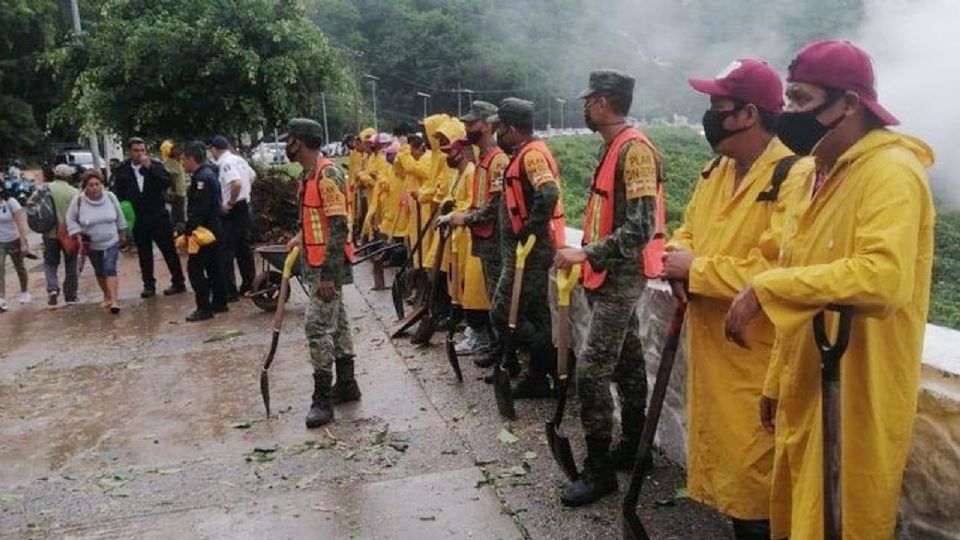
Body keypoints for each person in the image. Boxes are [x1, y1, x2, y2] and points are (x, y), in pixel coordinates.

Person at [724, 40, 936, 540]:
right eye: (788, 100)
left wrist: (765, 287)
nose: (789, 113)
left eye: (800, 100)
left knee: (845, 515)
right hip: (805, 378)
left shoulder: (892, 173)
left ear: (849, 103)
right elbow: (801, 273)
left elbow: (883, 278)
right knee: (799, 514)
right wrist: (776, 380)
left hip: (858, 385)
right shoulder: (808, 175)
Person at [660, 59, 812, 538]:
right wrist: (677, 254)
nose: (709, 116)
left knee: (758, 488)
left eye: (716, 107)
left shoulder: (794, 175)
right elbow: (686, 229)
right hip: (712, 354)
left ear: (748, 113)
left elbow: (780, 271)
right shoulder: (716, 169)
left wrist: (698, 270)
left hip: (755, 360)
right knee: (732, 478)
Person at [552, 71, 659, 506]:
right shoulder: (613, 147)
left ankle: (599, 471)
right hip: (608, 275)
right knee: (629, 363)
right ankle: (637, 448)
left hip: (620, 277)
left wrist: (586, 253)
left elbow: (640, 228)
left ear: (601, 102)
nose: (585, 108)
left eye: (588, 101)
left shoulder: (634, 151)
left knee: (592, 371)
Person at [282, 118, 358, 429]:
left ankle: (322, 400)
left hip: (328, 266)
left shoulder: (328, 174)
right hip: (315, 260)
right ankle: (348, 385)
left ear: (299, 142)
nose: (287, 144)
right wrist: (301, 236)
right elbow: (318, 218)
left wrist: (329, 275)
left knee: (316, 328)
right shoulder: (308, 175)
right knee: (337, 323)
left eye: (290, 139)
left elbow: (339, 226)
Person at [490, 98, 564, 397]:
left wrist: (529, 231)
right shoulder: (524, 152)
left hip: (532, 251)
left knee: (502, 311)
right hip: (527, 251)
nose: (498, 135)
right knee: (535, 313)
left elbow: (547, 193)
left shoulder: (532, 155)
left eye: (500, 129)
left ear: (510, 128)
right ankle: (538, 375)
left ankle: (542, 359)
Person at [443, 101, 507, 360]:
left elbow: (495, 206)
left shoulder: (498, 160)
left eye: (473, 124)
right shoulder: (483, 159)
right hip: (483, 238)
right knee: (491, 296)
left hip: (495, 238)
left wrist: (464, 218)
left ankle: (503, 352)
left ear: (489, 125)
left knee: (498, 298)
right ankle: (495, 345)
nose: (468, 128)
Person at [112, 137, 186, 298]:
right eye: (136, 151)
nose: (140, 154)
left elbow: (166, 182)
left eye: (142, 150)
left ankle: (178, 282)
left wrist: (150, 167)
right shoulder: (122, 169)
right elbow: (119, 192)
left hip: (158, 214)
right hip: (139, 217)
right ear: (129, 152)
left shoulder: (155, 165)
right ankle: (149, 285)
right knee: (144, 252)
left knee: (168, 250)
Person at [180, 140, 228, 322]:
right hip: (214, 228)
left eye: (184, 159)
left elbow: (199, 210)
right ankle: (220, 302)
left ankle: (204, 308)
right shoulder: (210, 173)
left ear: (192, 159)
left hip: (203, 233)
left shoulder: (202, 179)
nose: (183, 164)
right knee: (215, 267)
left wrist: (187, 231)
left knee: (195, 269)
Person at [66, 170, 127, 313]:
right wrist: (77, 234)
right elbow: (70, 219)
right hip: (91, 244)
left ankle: (114, 301)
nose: (94, 188)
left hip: (111, 240)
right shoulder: (78, 200)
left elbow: (119, 215)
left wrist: (123, 232)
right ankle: (106, 295)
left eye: (97, 184)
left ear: (102, 185)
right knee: (99, 270)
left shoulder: (110, 197)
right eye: (91, 185)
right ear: (85, 187)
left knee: (110, 268)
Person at [210, 135, 256, 301]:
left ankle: (230, 291)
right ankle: (249, 283)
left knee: (226, 250)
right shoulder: (239, 160)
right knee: (243, 248)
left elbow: (236, 183)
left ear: (214, 149)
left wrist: (230, 202)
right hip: (244, 207)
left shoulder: (225, 163)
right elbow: (252, 176)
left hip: (232, 209)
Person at [41, 164, 80, 305]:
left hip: (50, 233)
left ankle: (52, 288)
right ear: (69, 176)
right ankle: (71, 295)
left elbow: (31, 204)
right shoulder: (74, 192)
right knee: (71, 264)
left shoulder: (44, 189)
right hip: (69, 234)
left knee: (50, 263)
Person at [0, 183, 31, 312]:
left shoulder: (11, 202)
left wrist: (23, 242)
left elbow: (20, 222)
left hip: (14, 239)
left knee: (19, 267)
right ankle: (1, 298)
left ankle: (24, 291)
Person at [160, 140, 188, 228]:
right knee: (178, 217)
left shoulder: (176, 163)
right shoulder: (172, 163)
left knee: (178, 214)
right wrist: (173, 191)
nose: (181, 155)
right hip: (177, 194)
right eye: (179, 153)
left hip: (180, 193)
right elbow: (171, 178)